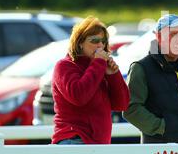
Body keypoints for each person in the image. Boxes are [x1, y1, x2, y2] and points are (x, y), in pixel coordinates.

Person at [123, 14, 178, 143]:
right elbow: (130, 109)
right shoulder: (141, 68)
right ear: (158, 37)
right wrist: (163, 128)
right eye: (173, 35)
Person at [51, 16, 130, 145]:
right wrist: (98, 63)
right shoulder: (65, 66)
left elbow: (122, 104)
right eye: (94, 40)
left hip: (99, 143)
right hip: (74, 140)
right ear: (79, 43)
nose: (100, 45)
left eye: (103, 41)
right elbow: (79, 96)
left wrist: (113, 75)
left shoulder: (98, 68)